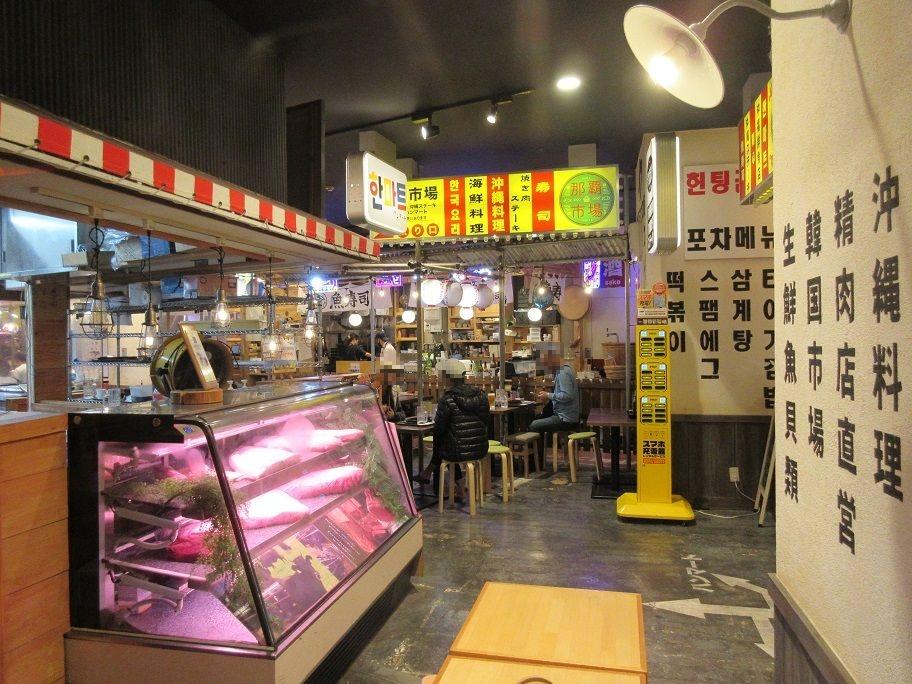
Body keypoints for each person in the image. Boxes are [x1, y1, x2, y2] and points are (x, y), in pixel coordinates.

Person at [418, 359, 489, 496]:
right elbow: (485, 421)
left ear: (448, 379)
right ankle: (456, 483)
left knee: (442, 440)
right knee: (449, 440)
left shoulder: (447, 399)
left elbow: (439, 428)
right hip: (480, 448)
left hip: (457, 451)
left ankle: (431, 469)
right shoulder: (481, 395)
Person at [530, 349, 580, 437]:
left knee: (534, 425)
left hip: (565, 419)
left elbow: (567, 395)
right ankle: (547, 444)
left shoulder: (562, 372)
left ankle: (544, 446)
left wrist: (548, 395)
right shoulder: (564, 370)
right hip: (567, 416)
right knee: (538, 418)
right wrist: (547, 397)